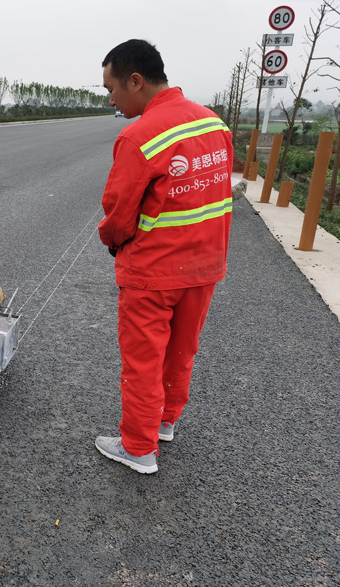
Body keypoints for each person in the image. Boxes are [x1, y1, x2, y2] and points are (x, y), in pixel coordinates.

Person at [95, 39, 233, 475]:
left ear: (136, 80)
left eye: (112, 88)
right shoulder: (215, 125)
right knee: (181, 350)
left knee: (143, 359)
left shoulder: (139, 137)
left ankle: (138, 447)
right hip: (205, 265)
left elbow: (118, 214)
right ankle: (164, 423)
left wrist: (113, 242)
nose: (111, 98)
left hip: (153, 272)